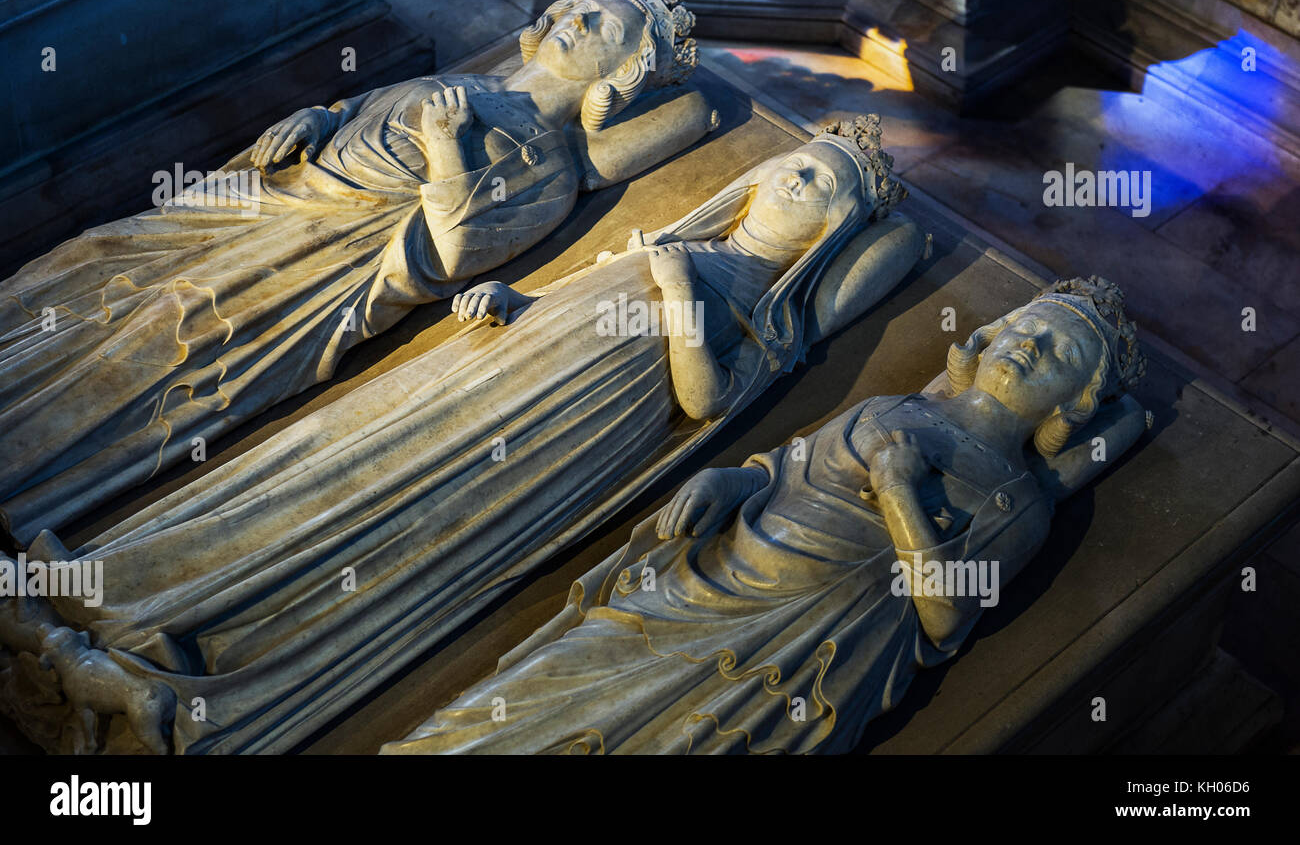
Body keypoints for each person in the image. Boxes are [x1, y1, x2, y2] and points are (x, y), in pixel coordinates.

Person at [0, 116, 926, 755]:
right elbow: (583, 288)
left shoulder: (756, 306)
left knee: (406, 509)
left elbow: (707, 400)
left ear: (831, 230)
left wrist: (680, 291)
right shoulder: (689, 238)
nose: (788, 176)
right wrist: (517, 296)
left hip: (577, 421)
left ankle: (185, 663)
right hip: (493, 367)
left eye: (817, 183)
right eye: (794, 162)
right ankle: (109, 596)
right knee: (337, 456)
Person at [0, 0, 711, 543]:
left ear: (622, 70)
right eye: (581, 6)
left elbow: (454, 256)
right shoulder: (481, 84)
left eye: (602, 27)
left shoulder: (550, 166)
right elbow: (366, 103)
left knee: (166, 322)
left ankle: (26, 462)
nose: (576, 22)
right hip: (277, 194)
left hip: (321, 262)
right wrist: (321, 115)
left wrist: (447, 148)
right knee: (101, 254)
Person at [383, 276, 1148, 755]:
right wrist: (731, 480)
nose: (1028, 343)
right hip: (708, 577)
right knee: (533, 691)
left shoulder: (1015, 496)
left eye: (1057, 352)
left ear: (1075, 400)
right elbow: (787, 463)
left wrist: (899, 489)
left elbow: (946, 613)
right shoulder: (898, 404)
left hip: (787, 645)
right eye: (1027, 325)